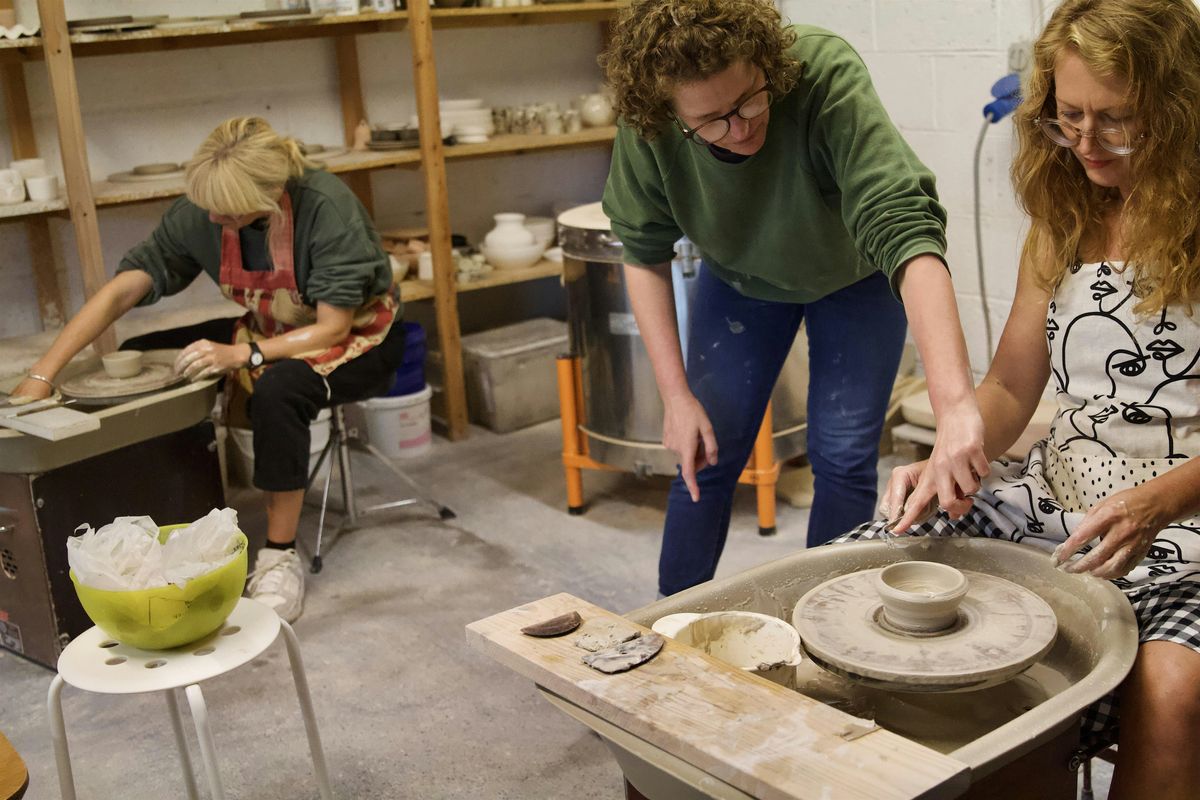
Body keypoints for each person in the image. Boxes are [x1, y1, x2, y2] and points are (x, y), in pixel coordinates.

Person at [840, 1, 1200, 795]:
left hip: (1185, 520)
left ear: (1178, 111)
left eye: (1117, 120)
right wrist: (950, 453)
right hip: (1064, 499)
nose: (1085, 143)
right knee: (870, 564)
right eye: (1067, 116)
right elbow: (1009, 385)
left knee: (1172, 693)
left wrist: (1153, 504)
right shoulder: (1065, 211)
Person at [599, 0, 988, 597]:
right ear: (669, 116)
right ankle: (669, 624)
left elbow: (905, 225)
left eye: (751, 98)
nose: (742, 125)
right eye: (712, 121)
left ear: (766, 65)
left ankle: (825, 633)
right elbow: (643, 251)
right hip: (738, 282)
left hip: (855, 278)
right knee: (704, 452)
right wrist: (674, 398)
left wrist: (955, 402)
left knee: (843, 458)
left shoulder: (820, 71)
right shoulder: (648, 122)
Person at [11, 117, 403, 623]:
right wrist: (44, 374)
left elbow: (332, 327)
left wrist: (245, 356)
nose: (213, 218)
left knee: (280, 390)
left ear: (266, 197)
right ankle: (176, 512)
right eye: (208, 206)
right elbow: (126, 288)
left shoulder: (325, 208)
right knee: (145, 354)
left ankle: (279, 555)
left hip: (360, 338)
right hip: (268, 327)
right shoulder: (207, 208)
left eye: (227, 210)